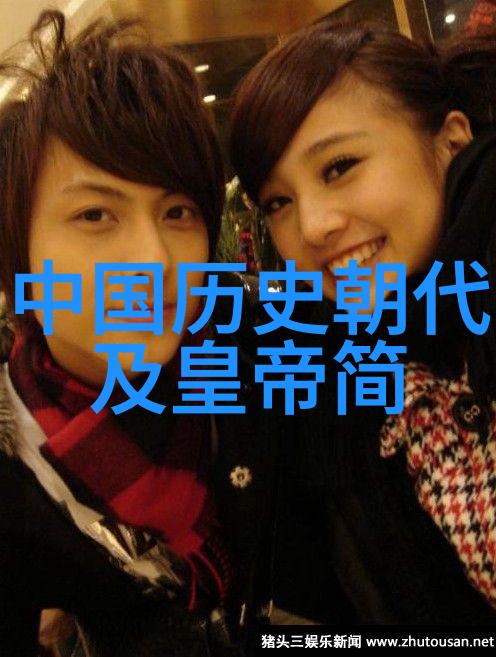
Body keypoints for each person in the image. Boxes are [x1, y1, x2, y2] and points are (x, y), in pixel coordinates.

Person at [229, 17, 496, 625]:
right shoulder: (339, 383)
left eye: (339, 166)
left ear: (452, 141)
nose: (313, 227)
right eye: (278, 202)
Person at [0, 9, 241, 656]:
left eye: (177, 211)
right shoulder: (14, 452)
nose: (154, 261)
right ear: (17, 252)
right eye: (95, 214)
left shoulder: (261, 360)